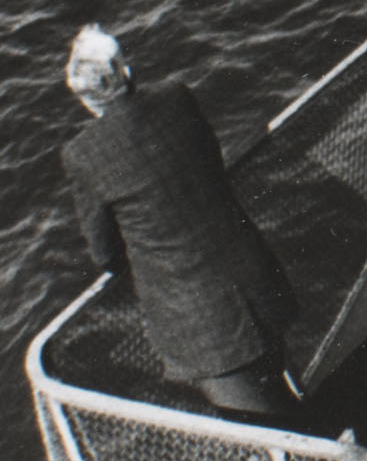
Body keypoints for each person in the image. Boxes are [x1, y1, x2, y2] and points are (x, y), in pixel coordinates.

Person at [59, 25, 299, 419]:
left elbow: (105, 252)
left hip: (205, 328)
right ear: (127, 71)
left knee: (277, 435)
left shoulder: (81, 154)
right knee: (285, 397)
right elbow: (211, 162)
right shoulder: (176, 97)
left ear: (85, 99)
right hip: (258, 283)